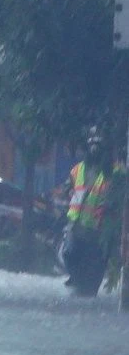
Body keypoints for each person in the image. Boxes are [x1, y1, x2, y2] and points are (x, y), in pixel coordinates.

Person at [60, 126, 119, 298]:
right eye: (92, 144)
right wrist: (66, 194)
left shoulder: (114, 172)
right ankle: (76, 279)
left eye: (98, 145)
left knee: (94, 274)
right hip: (76, 226)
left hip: (99, 229)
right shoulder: (77, 169)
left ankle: (89, 293)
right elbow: (67, 188)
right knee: (69, 254)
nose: (94, 148)